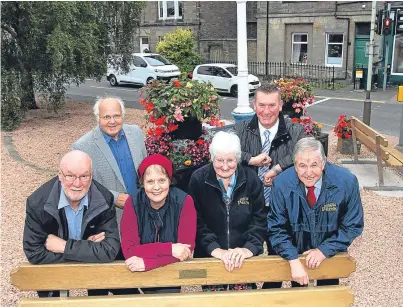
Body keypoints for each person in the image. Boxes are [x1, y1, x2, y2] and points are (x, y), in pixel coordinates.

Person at [235, 83, 306, 289]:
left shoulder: (295, 130)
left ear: (281, 105)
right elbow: (225, 154)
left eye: (272, 105)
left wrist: (277, 169)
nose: (266, 111)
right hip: (250, 205)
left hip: (283, 205)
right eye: (262, 105)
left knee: (285, 251)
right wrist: (251, 159)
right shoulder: (240, 131)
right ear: (254, 105)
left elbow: (301, 153)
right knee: (249, 253)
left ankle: (285, 295)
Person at [267, 138, 364, 287]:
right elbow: (276, 227)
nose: (308, 172)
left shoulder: (347, 182)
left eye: (314, 165)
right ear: (294, 165)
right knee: (297, 295)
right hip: (294, 249)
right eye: (302, 166)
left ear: (323, 163)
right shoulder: (281, 184)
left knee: (328, 293)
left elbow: (353, 225)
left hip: (330, 252)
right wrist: (292, 259)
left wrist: (324, 250)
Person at [23, 150, 120, 298]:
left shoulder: (104, 199)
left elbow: (110, 250)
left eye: (84, 176)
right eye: (70, 176)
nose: (77, 183)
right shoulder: (38, 203)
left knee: (99, 297)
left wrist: (64, 247)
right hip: (52, 273)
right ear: (60, 175)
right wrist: (86, 248)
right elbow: (34, 253)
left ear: (91, 176)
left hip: (94, 272)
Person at [188, 131, 266, 291]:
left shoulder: (251, 180)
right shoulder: (198, 180)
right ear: (212, 158)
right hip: (212, 256)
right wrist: (215, 249)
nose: (224, 166)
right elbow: (196, 221)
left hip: (243, 257)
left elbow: (259, 219)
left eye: (230, 160)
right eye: (219, 160)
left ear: (237, 159)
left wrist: (248, 248)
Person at [120, 154, 196, 294]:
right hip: (137, 273)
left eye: (162, 180)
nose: (156, 187)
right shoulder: (133, 202)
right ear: (142, 183)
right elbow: (129, 250)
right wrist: (170, 248)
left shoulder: (185, 202)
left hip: (170, 274)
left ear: (169, 180)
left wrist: (148, 263)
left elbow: (186, 251)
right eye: (150, 181)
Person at [72, 96, 147, 225]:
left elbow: (146, 169)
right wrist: (113, 197)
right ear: (98, 118)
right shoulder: (82, 147)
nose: (112, 121)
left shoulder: (136, 133)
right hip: (109, 219)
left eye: (116, 116)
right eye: (106, 117)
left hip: (142, 210)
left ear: (122, 116)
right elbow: (79, 185)